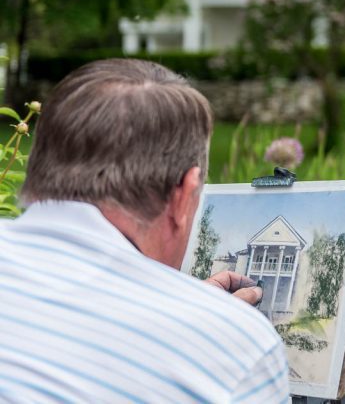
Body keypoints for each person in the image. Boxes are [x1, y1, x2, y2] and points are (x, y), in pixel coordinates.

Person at [0, 59, 289, 403]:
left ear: (37, 163)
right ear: (184, 193)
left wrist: (190, 306)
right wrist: (215, 325)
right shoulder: (238, 345)